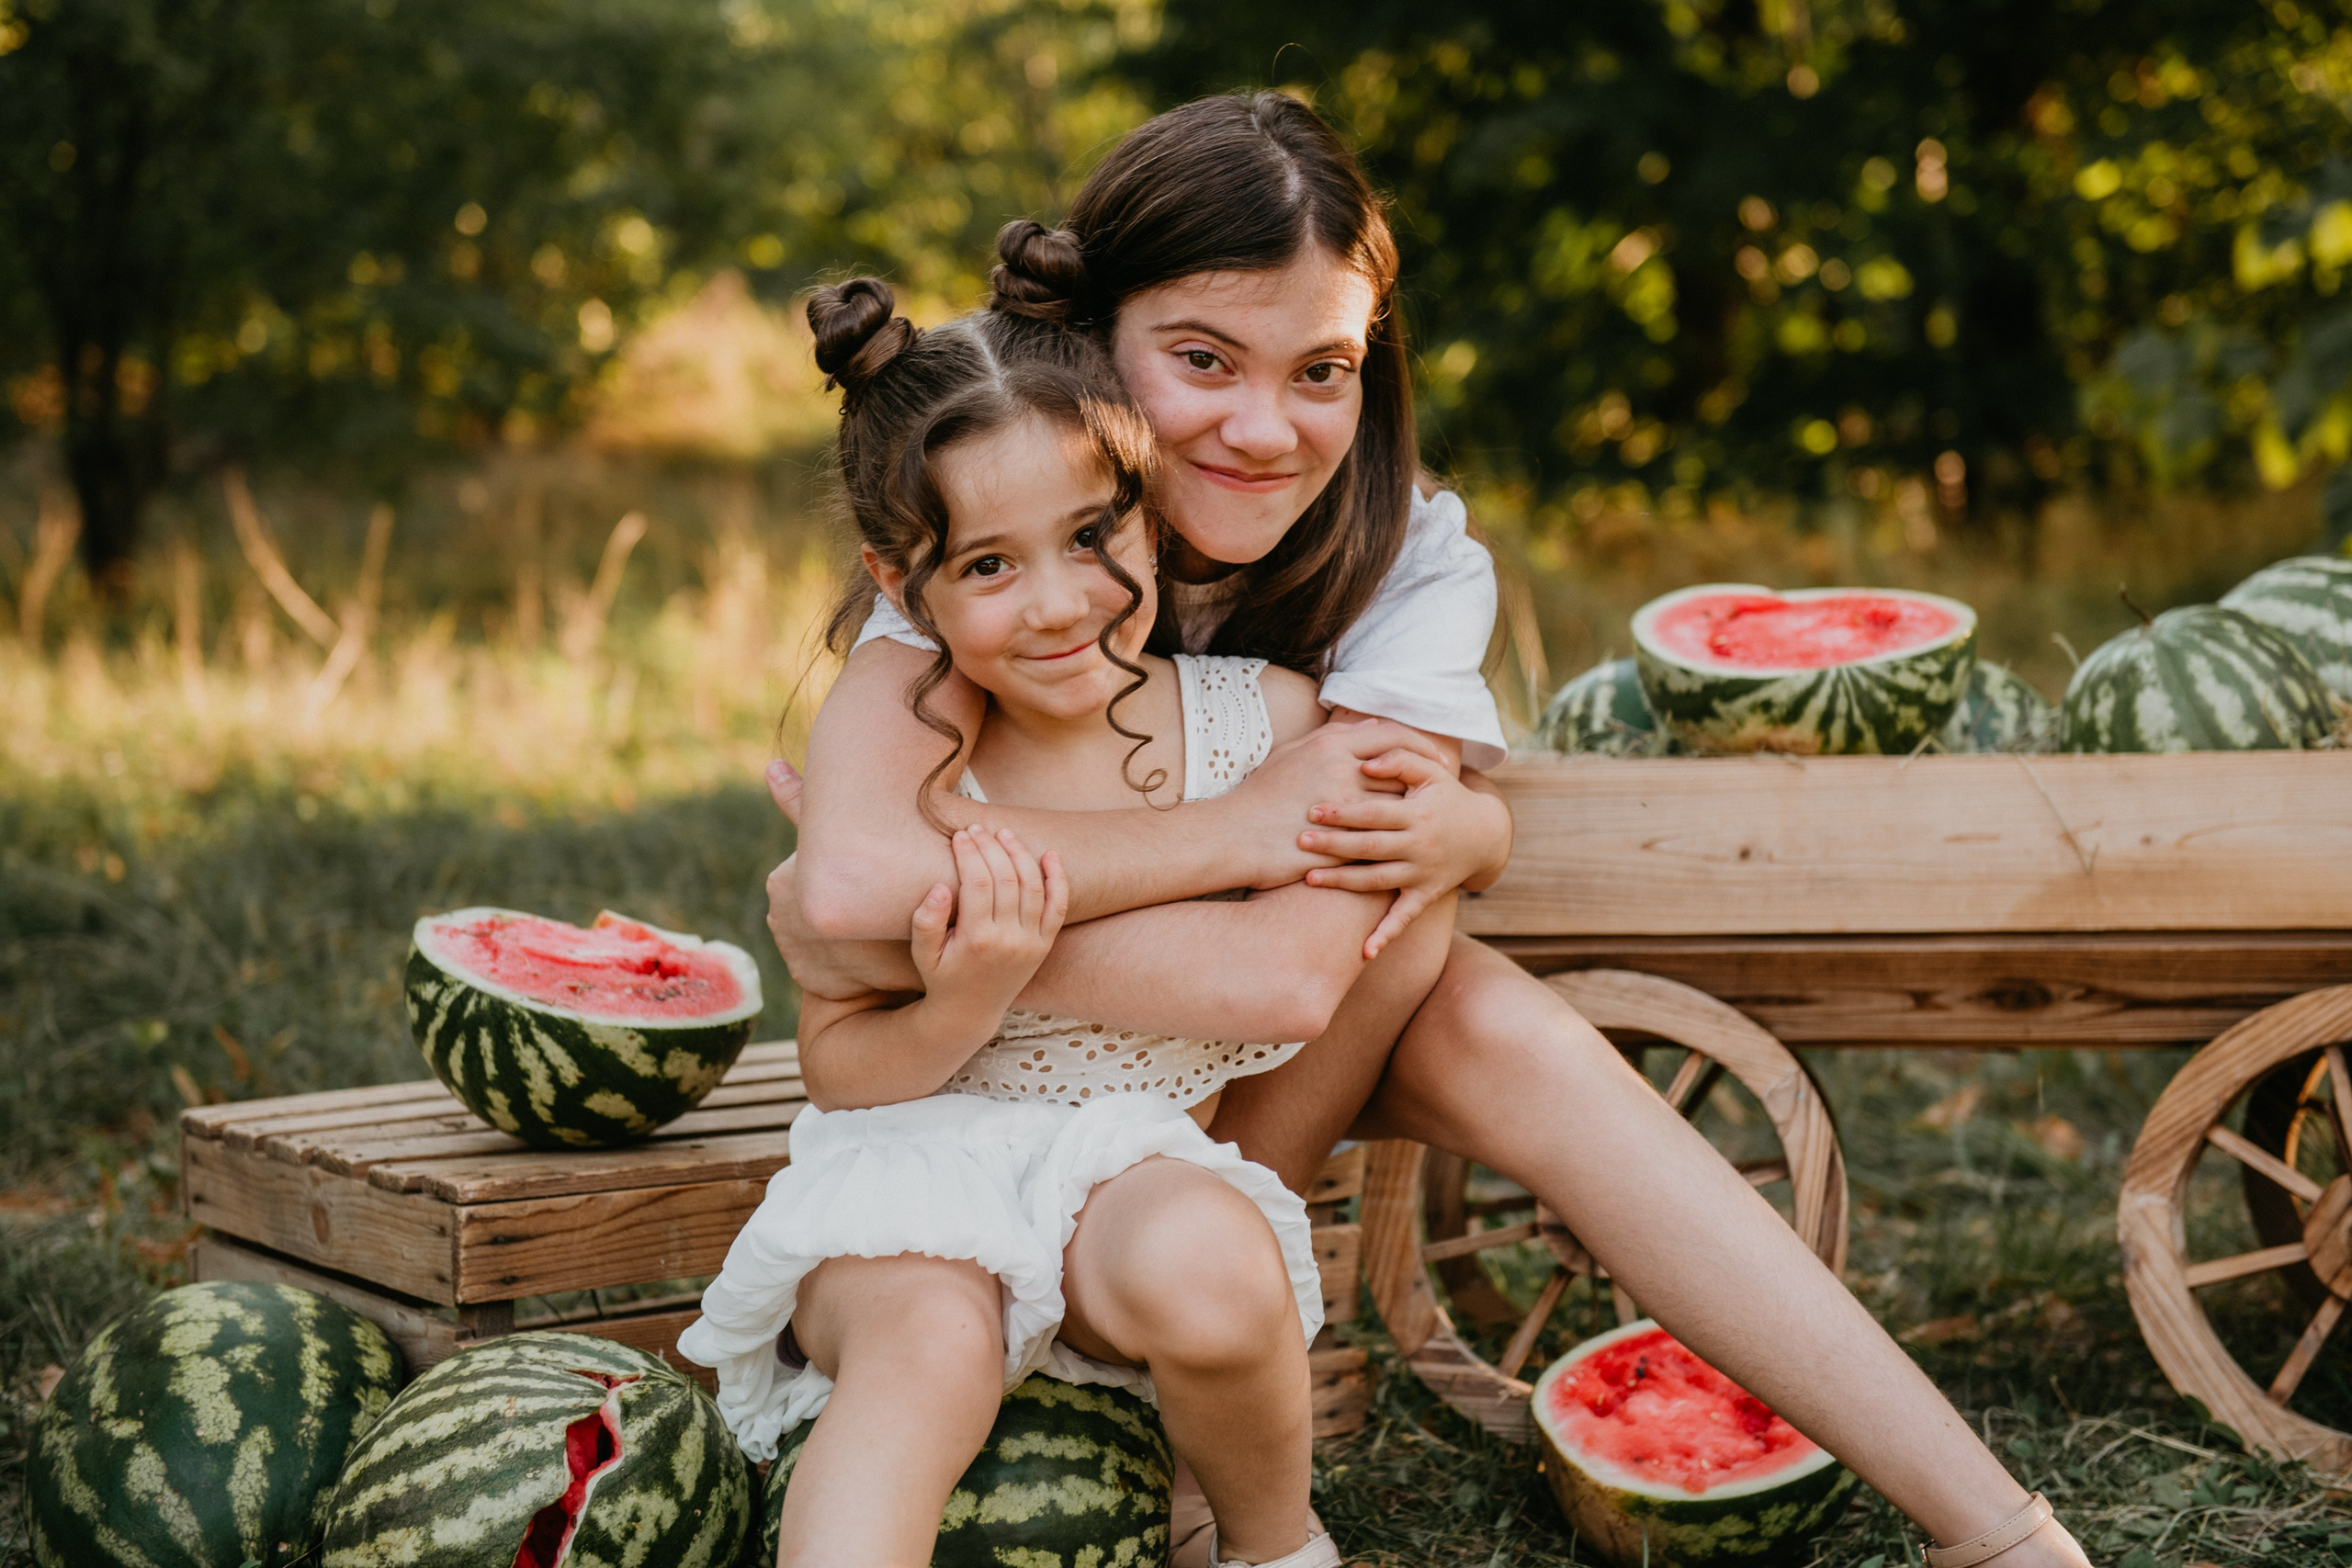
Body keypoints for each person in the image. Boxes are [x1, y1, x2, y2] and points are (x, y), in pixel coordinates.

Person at [763, 92, 2096, 1568]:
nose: (1264, 429)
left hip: (1262, 1058)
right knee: (1449, 964)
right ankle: (1201, 1469)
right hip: (997, 1095)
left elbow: (1274, 980)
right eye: (1202, 360)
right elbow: (847, 898)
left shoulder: (1404, 565)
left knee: (1448, 973)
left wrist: (950, 931)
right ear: (1091, 339)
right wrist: (1240, 837)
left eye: (1321, 370)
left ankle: (2002, 1535)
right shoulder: (986, 468)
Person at [680, 280, 1372, 1568]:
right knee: (928, 1351)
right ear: (903, 583)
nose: (1058, 604)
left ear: (1151, 517)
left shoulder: (1260, 725)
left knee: (1214, 1269)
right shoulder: (904, 757)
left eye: (1091, 537)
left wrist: (1467, 830)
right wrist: (962, 1002)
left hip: (1130, 1170)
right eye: (989, 565)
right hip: (908, 1183)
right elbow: (842, 1068)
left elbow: (1382, 860)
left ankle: (1275, 1549)